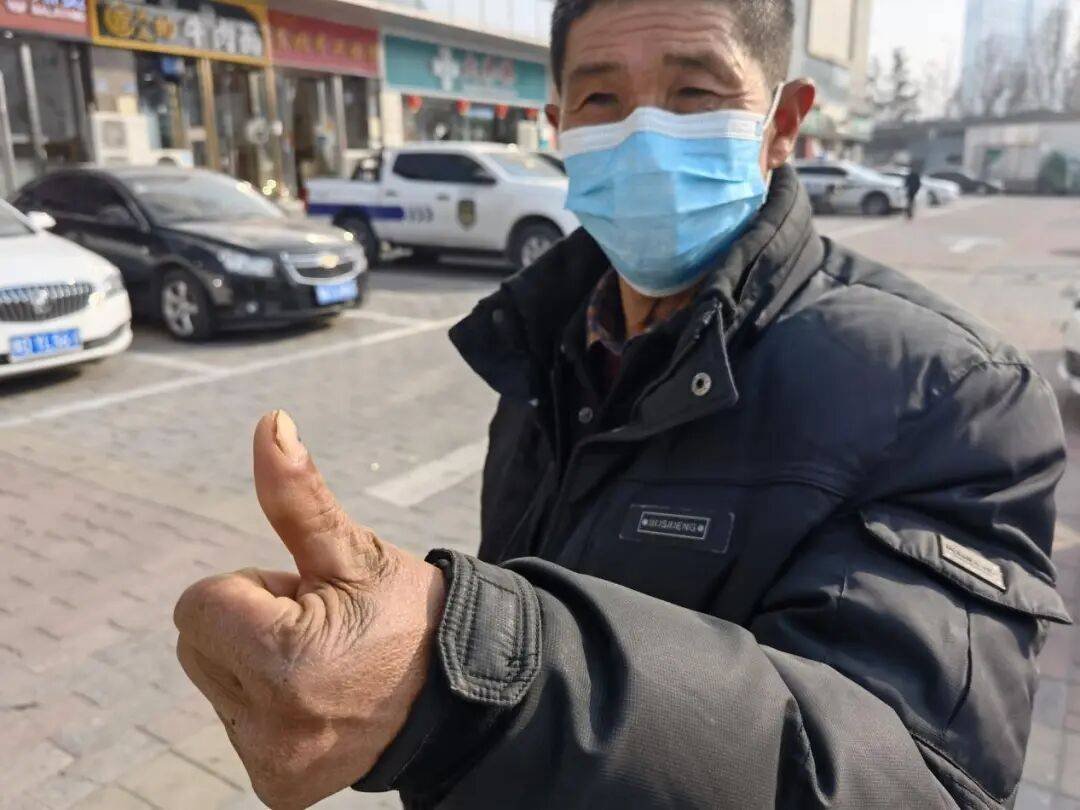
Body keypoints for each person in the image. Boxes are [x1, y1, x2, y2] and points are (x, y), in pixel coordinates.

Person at [173, 1, 1071, 808]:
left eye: (694, 92)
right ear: (559, 128)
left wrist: (462, 675)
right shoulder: (550, 341)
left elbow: (914, 782)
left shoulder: (949, 394)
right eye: (601, 99)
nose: (644, 134)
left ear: (782, 123)